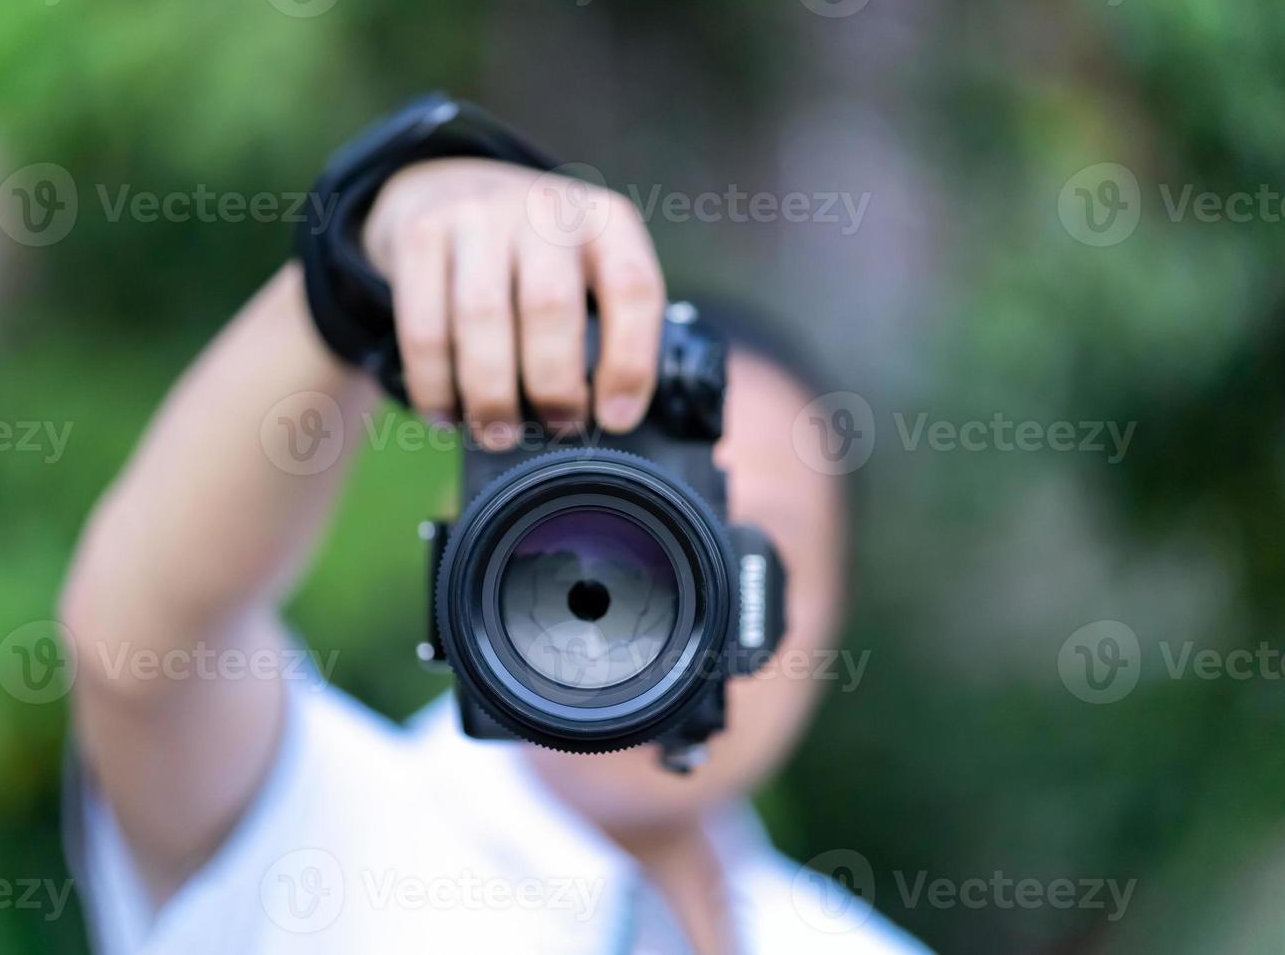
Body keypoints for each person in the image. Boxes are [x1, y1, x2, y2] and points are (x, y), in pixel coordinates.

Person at [58, 150, 929, 953]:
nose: (671, 594)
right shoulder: (310, 835)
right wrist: (359, 273)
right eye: (618, 527)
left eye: (748, 539)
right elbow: (140, 646)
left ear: (820, 608)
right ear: (477, 545)